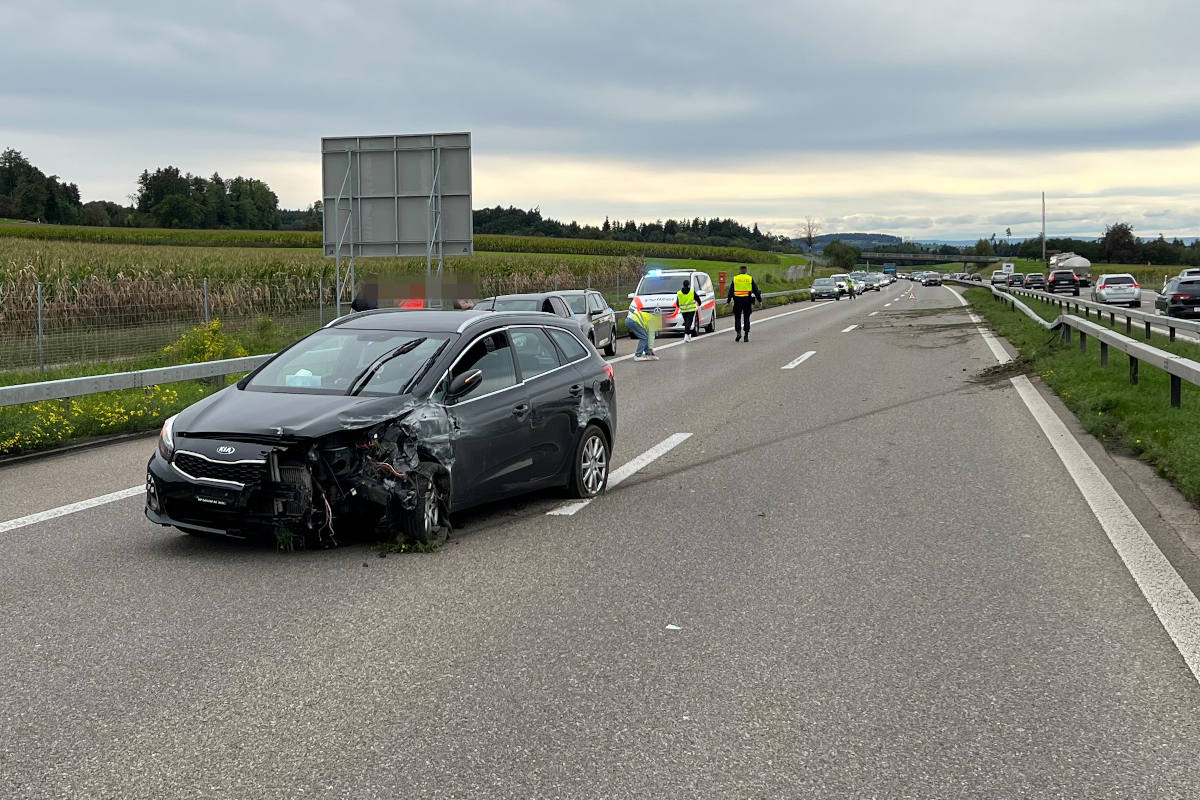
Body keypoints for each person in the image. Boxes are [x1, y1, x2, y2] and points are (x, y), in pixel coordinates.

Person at [726, 265, 762, 342]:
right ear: (746, 270)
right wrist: (760, 301)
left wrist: (728, 302)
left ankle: (738, 332)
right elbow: (756, 290)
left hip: (737, 301)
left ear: (740, 270)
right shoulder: (749, 278)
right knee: (746, 318)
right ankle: (746, 335)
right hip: (747, 301)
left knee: (737, 318)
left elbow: (731, 291)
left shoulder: (735, 278)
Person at [676, 278, 700, 342]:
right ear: (688, 285)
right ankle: (686, 336)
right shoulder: (692, 291)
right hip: (691, 310)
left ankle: (689, 336)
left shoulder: (679, 293)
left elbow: (677, 303)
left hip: (683, 311)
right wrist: (699, 304)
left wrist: (681, 307)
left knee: (687, 323)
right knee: (688, 323)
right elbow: (697, 298)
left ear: (683, 285)